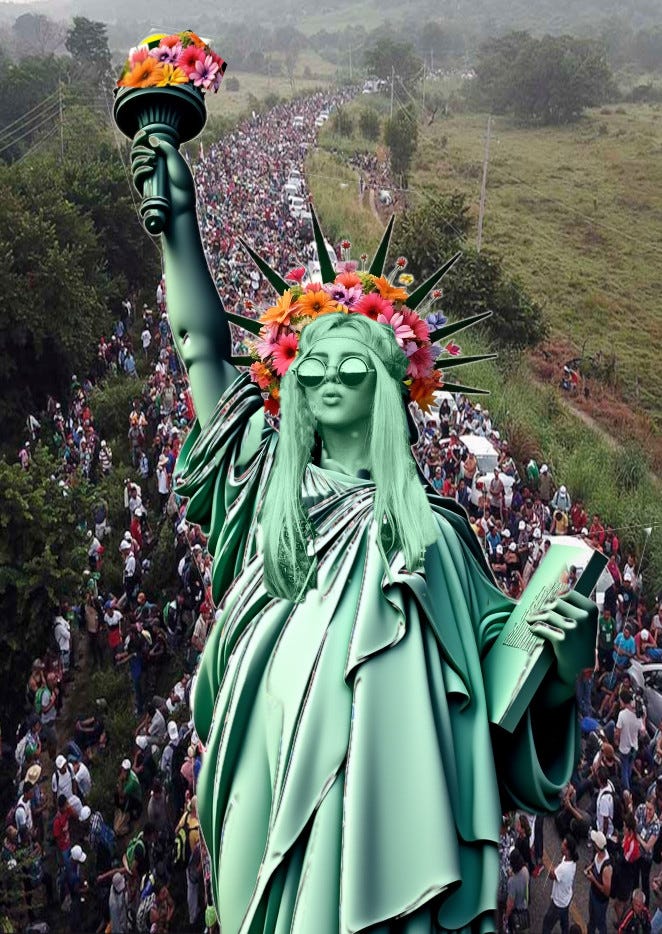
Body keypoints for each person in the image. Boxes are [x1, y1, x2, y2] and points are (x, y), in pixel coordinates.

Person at [130, 130, 599, 932]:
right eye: (314, 361)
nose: (332, 376)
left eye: (357, 363)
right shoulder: (261, 493)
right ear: (291, 379)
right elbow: (198, 348)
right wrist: (180, 228)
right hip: (267, 778)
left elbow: (496, 692)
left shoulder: (439, 539)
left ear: (392, 383)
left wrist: (562, 662)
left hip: (394, 811)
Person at [586, 829, 613, 934]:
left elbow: (606, 892)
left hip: (600, 901)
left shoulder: (607, 868)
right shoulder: (598, 854)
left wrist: (593, 879)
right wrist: (589, 868)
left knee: (601, 924)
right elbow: (594, 864)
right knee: (591, 920)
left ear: (597, 846)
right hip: (593, 893)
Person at [504, 849, 530, 932]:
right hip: (524, 906)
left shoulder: (511, 882)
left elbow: (510, 904)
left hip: (516, 911)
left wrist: (506, 916)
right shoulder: (525, 871)